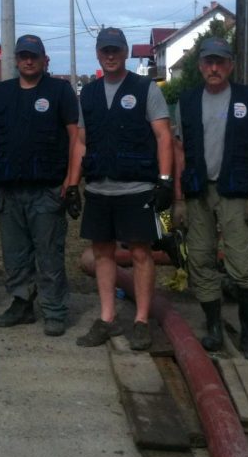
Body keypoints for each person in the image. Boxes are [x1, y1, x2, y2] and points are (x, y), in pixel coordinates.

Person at [69, 27, 173, 351]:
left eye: (116, 49)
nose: (110, 55)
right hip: (100, 189)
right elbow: (81, 142)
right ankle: (107, 318)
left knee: (141, 253)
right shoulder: (87, 93)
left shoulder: (145, 89)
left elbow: (163, 136)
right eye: (105, 50)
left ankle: (141, 321)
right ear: (98, 54)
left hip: (137, 188)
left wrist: (166, 181)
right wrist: (73, 184)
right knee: (102, 254)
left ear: (125, 52)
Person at [172, 36, 248, 360]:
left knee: (243, 264)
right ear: (200, 65)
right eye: (208, 62)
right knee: (199, 259)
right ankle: (214, 328)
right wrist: (178, 199)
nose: (214, 68)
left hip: (235, 191)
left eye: (220, 62)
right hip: (199, 190)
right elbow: (179, 152)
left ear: (229, 65)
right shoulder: (186, 101)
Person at [0, 34, 80, 337]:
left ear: (45, 60)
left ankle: (54, 310)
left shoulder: (59, 91)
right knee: (15, 255)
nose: (29, 60)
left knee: (49, 254)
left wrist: (71, 181)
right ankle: (21, 304)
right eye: (23, 55)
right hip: (8, 190)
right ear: (17, 60)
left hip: (47, 189)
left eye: (34, 55)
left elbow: (76, 138)